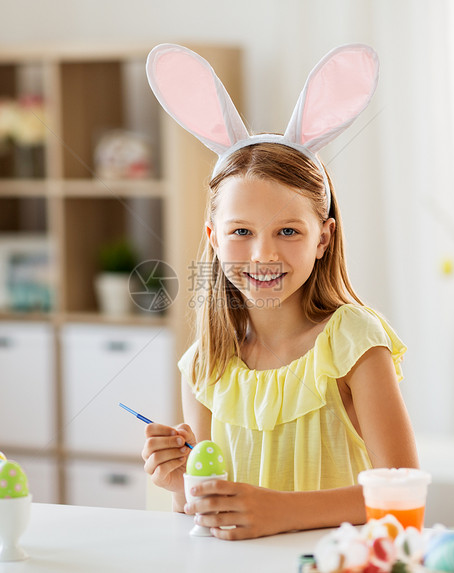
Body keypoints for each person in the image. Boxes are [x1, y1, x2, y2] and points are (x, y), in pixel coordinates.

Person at [140, 43, 418, 540]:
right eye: (241, 232)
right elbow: (215, 506)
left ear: (323, 238)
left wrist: (279, 512)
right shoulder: (204, 365)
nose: (263, 256)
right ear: (213, 238)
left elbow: (401, 496)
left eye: (288, 232)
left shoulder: (352, 341)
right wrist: (183, 483)